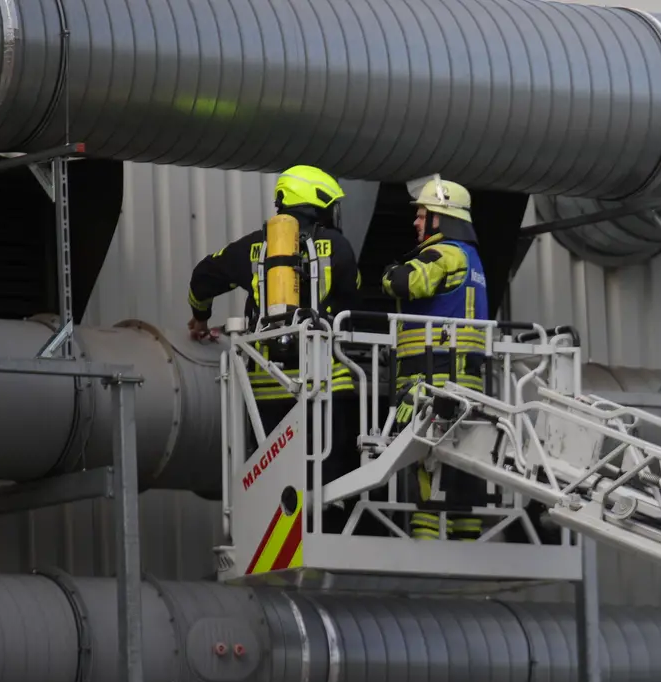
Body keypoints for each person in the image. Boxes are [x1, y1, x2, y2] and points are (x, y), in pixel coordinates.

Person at [186, 164, 365, 499]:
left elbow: (202, 276)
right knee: (330, 489)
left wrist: (200, 317)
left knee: (276, 485)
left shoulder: (253, 247)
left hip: (268, 390)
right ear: (316, 201)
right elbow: (353, 292)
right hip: (325, 386)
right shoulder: (337, 246)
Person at [381, 177, 490, 541]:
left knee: (426, 461)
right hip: (465, 378)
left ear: (441, 218)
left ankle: (427, 543)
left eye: (422, 215)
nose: (416, 223)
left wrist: (387, 274)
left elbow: (405, 283)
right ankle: (466, 540)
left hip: (434, 377)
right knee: (462, 465)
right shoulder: (472, 258)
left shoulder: (444, 254)